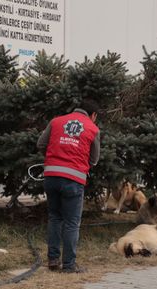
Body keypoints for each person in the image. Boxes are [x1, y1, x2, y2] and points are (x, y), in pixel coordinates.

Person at [37, 99, 101, 273]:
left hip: (51, 176)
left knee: (55, 218)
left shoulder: (56, 121)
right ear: (93, 115)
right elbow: (94, 159)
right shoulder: (93, 128)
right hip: (73, 179)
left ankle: (52, 259)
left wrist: (52, 157)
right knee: (72, 223)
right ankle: (69, 265)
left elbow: (41, 144)